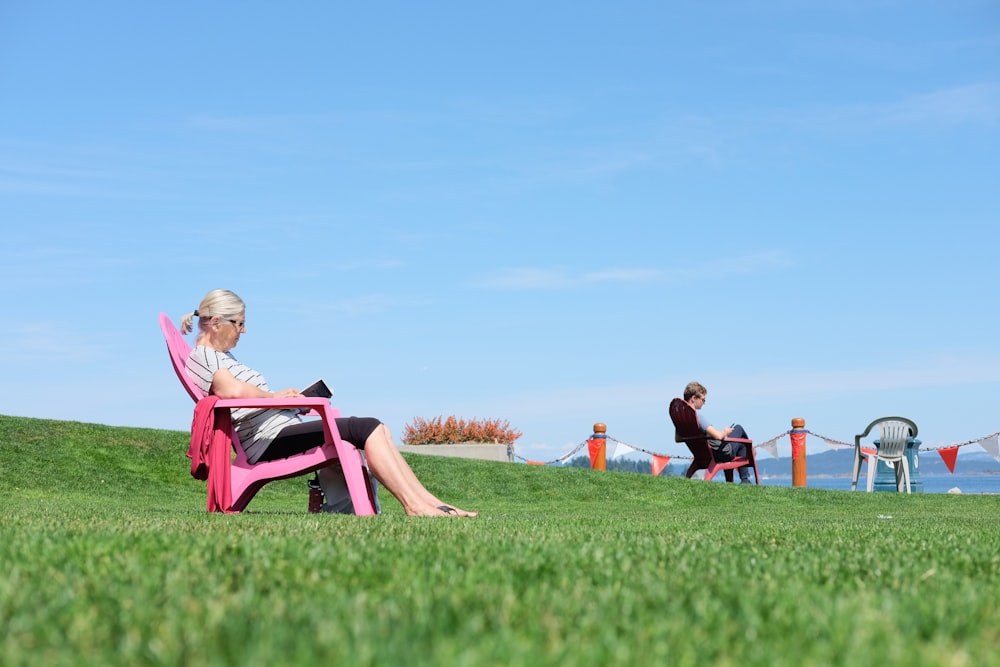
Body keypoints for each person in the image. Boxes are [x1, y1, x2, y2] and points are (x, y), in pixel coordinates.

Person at [180, 288, 477, 518]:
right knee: (367, 427)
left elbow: (242, 394)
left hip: (277, 431)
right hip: (266, 442)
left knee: (378, 429)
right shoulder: (204, 356)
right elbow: (230, 391)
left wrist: (292, 403)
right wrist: (276, 398)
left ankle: (431, 503)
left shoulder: (221, 357)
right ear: (216, 322)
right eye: (240, 324)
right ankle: (414, 506)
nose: (243, 331)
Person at [683, 381, 754, 483]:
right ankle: (745, 478)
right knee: (739, 430)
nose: (704, 403)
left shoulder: (684, 421)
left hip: (701, 454)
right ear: (694, 398)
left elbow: (678, 438)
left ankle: (741, 479)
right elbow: (718, 435)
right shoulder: (698, 418)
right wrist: (725, 431)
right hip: (719, 453)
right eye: (703, 400)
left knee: (741, 443)